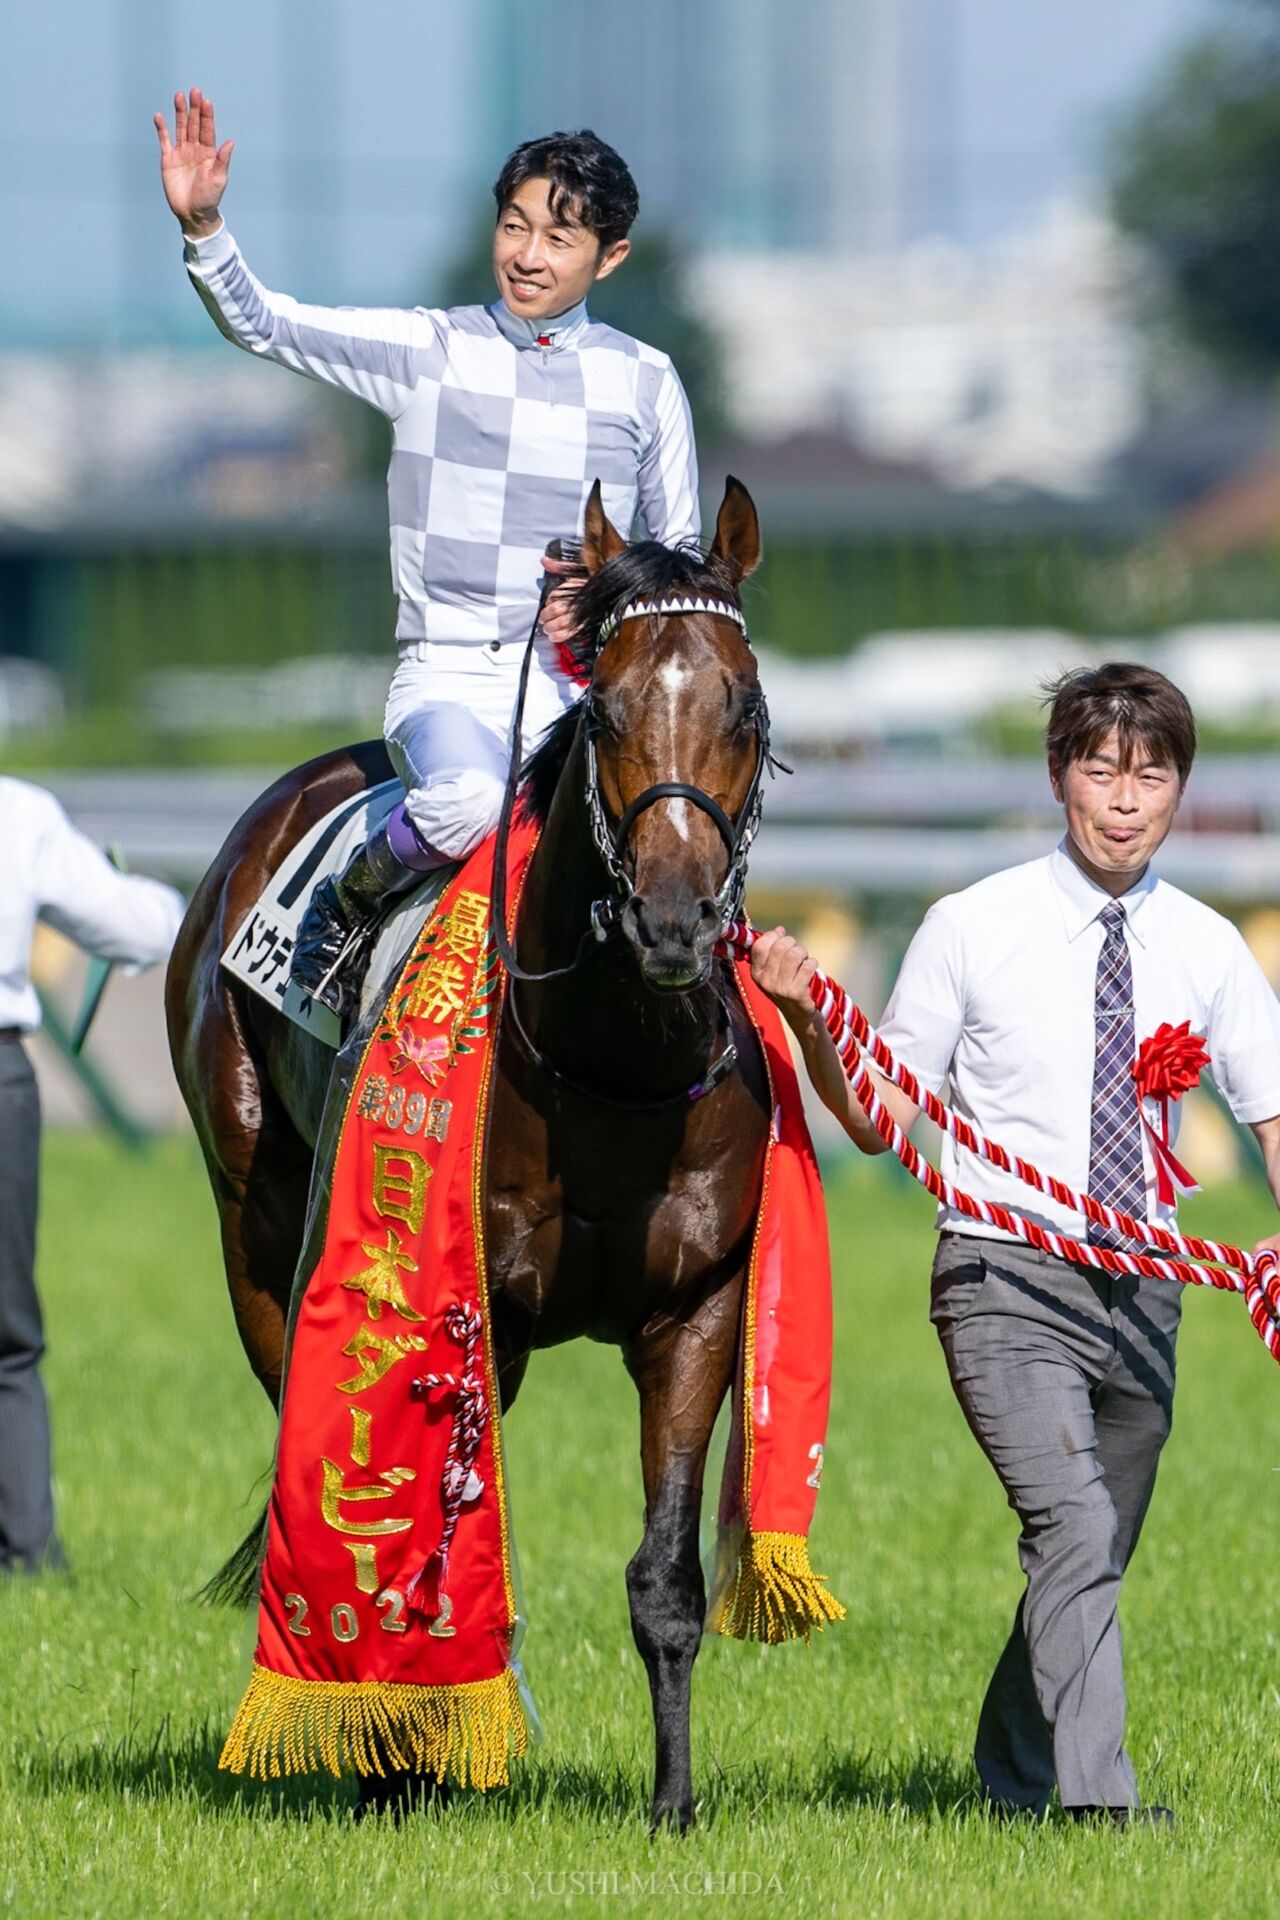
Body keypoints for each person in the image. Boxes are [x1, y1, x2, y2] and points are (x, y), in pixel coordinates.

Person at [751, 663, 1280, 1825]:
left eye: (1150, 775)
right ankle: (1099, 1809)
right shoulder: (968, 926)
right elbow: (879, 1115)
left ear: (1178, 790)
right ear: (1058, 778)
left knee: (1084, 1555)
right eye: (1101, 771)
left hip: (1145, 1290)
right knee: (1073, 1525)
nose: (1126, 800)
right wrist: (811, 1017)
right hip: (1002, 1278)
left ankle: (1008, 1776)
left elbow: (1270, 1117)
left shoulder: (1205, 949)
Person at [154, 90, 700, 1015]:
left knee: (674, 842)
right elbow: (265, 323)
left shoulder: (647, 380)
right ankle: (347, 901)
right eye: (515, 225)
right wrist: (206, 224)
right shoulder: (427, 349)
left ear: (611, 257)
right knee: (465, 808)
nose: (527, 256)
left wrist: (607, 592)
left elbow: (680, 558)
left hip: (582, 690)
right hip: (448, 678)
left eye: (559, 240)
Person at [0, 776, 185, 1572]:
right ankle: (27, 1551)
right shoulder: (20, 812)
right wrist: (146, 892)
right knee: (7, 1339)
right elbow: (141, 930)